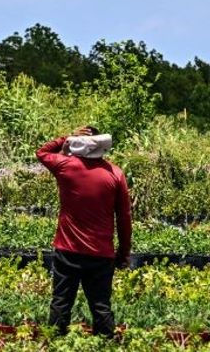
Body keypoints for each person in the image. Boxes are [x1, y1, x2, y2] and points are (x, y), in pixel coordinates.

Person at [36, 126, 132, 337]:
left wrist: (67, 136)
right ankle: (105, 344)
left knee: (61, 303)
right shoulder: (115, 173)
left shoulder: (66, 166)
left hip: (67, 250)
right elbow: (124, 218)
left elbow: (42, 152)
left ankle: (54, 343)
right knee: (100, 306)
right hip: (101, 254)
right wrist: (123, 253)